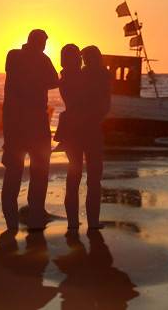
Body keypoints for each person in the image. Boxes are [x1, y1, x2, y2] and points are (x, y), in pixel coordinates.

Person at [1, 29, 59, 230]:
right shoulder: (20, 56)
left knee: (29, 171)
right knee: (29, 170)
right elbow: (54, 81)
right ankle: (19, 220)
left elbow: (53, 81)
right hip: (27, 122)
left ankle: (26, 218)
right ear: (36, 42)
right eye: (42, 43)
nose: (43, 47)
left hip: (22, 123)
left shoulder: (18, 56)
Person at [64, 46, 112, 229]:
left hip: (74, 131)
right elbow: (105, 105)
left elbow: (71, 101)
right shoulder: (103, 75)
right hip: (92, 130)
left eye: (84, 57)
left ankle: (73, 223)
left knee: (74, 176)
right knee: (93, 179)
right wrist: (96, 119)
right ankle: (92, 222)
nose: (83, 61)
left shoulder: (78, 75)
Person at [52, 44, 82, 154]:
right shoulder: (73, 75)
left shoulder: (69, 76)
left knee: (74, 159)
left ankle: (65, 141)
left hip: (74, 117)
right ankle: (65, 141)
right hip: (76, 117)